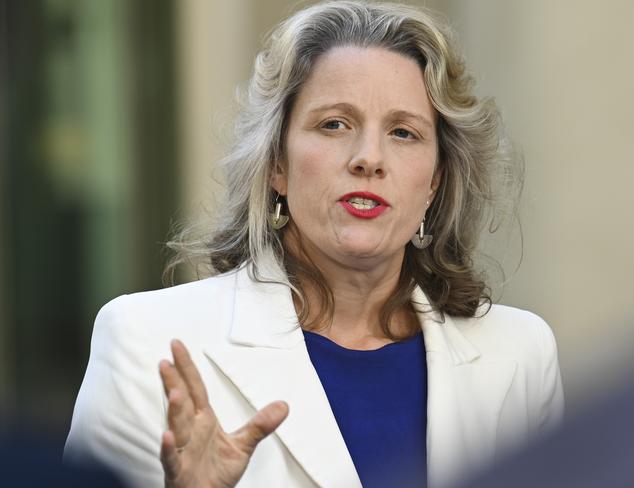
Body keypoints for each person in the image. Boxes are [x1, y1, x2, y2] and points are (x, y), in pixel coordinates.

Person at [64, 1, 564, 487]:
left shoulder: (519, 355)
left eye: (404, 133)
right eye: (334, 124)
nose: (369, 158)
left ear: (435, 180)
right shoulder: (146, 341)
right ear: (277, 164)